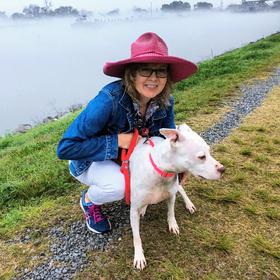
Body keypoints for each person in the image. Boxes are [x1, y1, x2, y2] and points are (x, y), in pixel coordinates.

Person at [56, 32, 197, 234]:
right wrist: (119, 141)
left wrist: (180, 164)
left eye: (161, 71)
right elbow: (66, 148)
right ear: (131, 74)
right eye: (145, 71)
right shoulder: (108, 100)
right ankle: (89, 201)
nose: (154, 78)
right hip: (89, 160)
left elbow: (166, 140)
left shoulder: (165, 102)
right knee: (118, 187)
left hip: (127, 159)